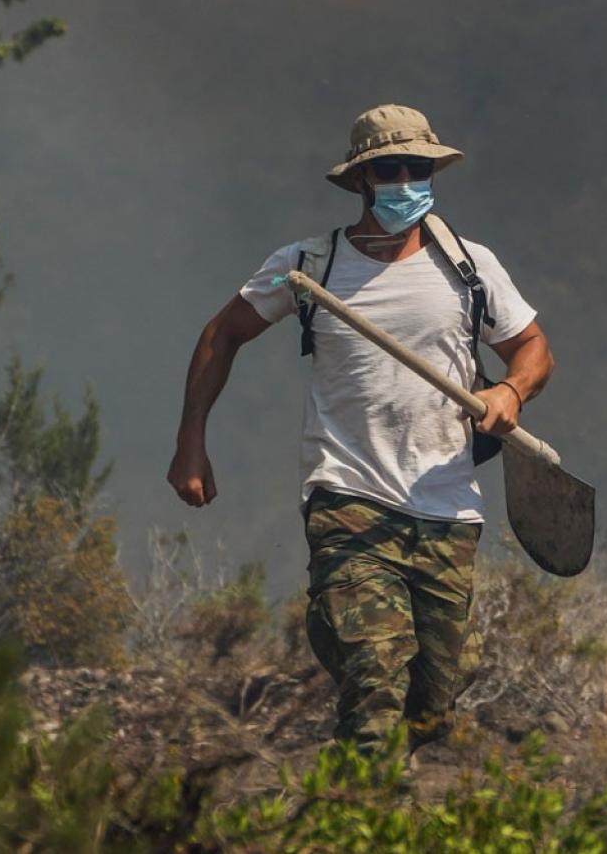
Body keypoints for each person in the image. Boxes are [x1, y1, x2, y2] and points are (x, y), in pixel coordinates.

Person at [168, 104, 554, 748]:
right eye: (389, 169)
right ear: (361, 181)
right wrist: (190, 444)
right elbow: (221, 334)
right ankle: (352, 803)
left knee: (429, 710)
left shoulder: (469, 267)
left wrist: (511, 391)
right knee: (375, 684)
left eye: (417, 168)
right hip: (348, 497)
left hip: (447, 508)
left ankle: (336, 632)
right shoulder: (309, 268)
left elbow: (533, 347)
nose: (406, 181)